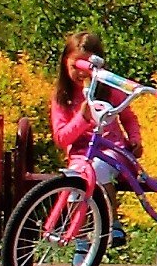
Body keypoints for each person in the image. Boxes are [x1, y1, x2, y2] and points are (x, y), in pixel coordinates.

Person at [48, 32, 146, 186]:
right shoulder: (62, 97)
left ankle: (106, 210)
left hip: (114, 151)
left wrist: (135, 139)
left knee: (99, 168)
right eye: (75, 66)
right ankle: (77, 210)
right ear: (65, 62)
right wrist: (82, 118)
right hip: (81, 156)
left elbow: (128, 117)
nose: (81, 73)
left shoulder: (109, 90)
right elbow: (61, 139)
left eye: (88, 67)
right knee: (75, 180)